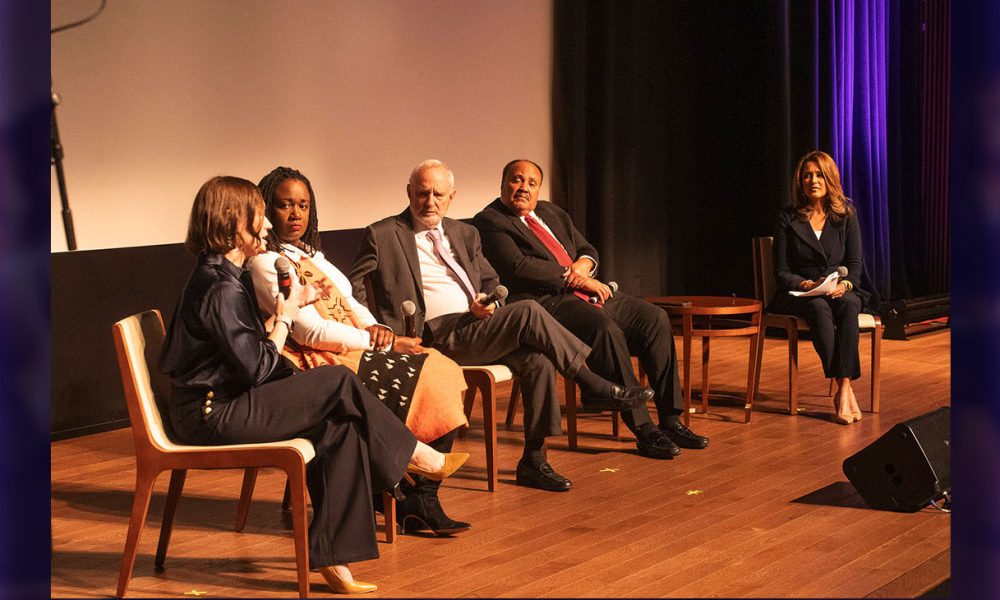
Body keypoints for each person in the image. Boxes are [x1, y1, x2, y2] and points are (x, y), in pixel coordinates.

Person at [158, 176, 467, 594]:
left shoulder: (223, 276)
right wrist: (284, 315)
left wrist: (281, 314)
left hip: (228, 401)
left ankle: (334, 559)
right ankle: (415, 457)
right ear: (234, 223)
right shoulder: (217, 286)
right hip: (212, 414)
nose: (268, 226)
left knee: (339, 427)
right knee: (339, 380)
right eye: (259, 217)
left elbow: (247, 354)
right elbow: (259, 368)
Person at [349, 159, 654, 493]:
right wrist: (377, 327)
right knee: (527, 312)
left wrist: (488, 300)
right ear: (409, 192)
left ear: (452, 196)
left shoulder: (464, 233)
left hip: (476, 324)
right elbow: (352, 287)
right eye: (422, 193)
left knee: (537, 361)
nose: (430, 202)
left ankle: (534, 461)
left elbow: (490, 279)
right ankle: (592, 382)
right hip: (432, 335)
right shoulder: (383, 233)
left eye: (438, 194)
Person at [249, 166, 472, 536]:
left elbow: (353, 303)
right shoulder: (266, 262)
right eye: (285, 205)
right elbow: (309, 331)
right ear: (267, 210)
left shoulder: (311, 254)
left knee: (441, 367)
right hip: (316, 359)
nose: (296, 214)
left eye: (303, 205)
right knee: (429, 373)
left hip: (353, 345)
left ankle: (419, 496)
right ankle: (404, 493)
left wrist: (379, 329)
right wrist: (376, 341)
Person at [472, 159, 709, 459]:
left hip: (587, 293)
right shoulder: (490, 220)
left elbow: (588, 250)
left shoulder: (552, 212)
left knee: (655, 319)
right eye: (517, 180)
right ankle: (644, 428)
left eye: (532, 183)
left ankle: (671, 419)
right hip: (547, 302)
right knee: (605, 330)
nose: (523, 188)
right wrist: (576, 279)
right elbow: (518, 267)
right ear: (503, 182)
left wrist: (584, 268)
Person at [770, 150, 871, 425]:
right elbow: (781, 272)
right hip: (799, 292)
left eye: (818, 175)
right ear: (800, 182)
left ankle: (845, 387)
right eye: (807, 175)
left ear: (830, 179)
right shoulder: (788, 218)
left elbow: (854, 263)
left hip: (837, 287)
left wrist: (845, 284)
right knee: (817, 306)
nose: (812, 180)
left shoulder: (846, 214)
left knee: (850, 304)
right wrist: (807, 284)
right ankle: (842, 386)